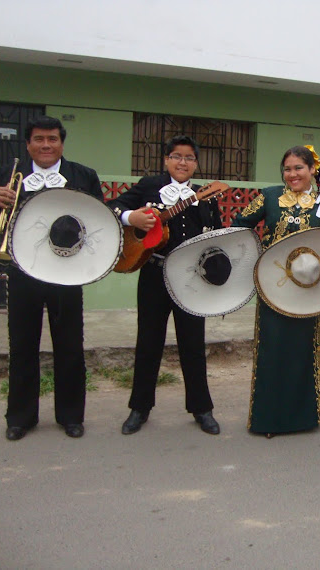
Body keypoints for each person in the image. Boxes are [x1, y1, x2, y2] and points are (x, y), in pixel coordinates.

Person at [0, 115, 102, 441]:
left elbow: (98, 222)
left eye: (52, 139)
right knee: (21, 346)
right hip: (22, 272)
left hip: (66, 272)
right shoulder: (8, 174)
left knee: (70, 348)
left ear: (61, 142)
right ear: (29, 143)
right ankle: (20, 418)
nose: (46, 145)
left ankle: (71, 416)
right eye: (38, 139)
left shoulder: (83, 176)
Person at [107, 135, 223, 436]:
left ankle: (202, 409)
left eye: (188, 158)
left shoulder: (204, 194)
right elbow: (113, 205)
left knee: (193, 345)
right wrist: (130, 216)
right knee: (148, 343)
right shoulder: (148, 187)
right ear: (166, 160)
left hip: (191, 280)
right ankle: (139, 408)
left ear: (196, 164)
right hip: (153, 276)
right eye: (176, 156)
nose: (182, 162)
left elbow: (216, 235)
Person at [231, 145, 320, 436]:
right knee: (272, 350)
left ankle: (305, 418)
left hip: (311, 292)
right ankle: (268, 420)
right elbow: (239, 225)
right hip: (273, 289)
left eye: (299, 168)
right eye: (287, 168)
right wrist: (257, 260)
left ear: (312, 171)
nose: (292, 174)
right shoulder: (268, 197)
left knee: (304, 352)